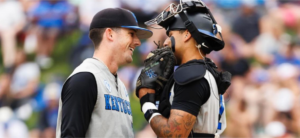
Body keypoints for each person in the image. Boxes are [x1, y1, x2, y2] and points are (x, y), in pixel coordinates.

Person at [136, 0, 231, 138]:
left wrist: (147, 103)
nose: (166, 42)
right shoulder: (207, 70)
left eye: (171, 35)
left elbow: (175, 134)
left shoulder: (191, 74)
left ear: (187, 34)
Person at [55, 8, 153, 138]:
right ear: (110, 34)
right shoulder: (85, 79)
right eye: (131, 34)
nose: (138, 42)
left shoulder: (121, 85)